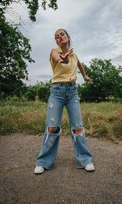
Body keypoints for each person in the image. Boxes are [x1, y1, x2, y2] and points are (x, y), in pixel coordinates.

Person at [34, 29, 95, 174]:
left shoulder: (74, 55)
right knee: (52, 127)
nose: (59, 37)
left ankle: (85, 160)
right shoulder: (54, 51)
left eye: (62, 34)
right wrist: (63, 59)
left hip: (73, 92)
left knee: (77, 128)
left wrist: (85, 77)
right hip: (57, 92)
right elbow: (58, 58)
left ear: (68, 37)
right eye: (56, 37)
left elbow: (79, 65)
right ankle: (43, 162)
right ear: (56, 42)